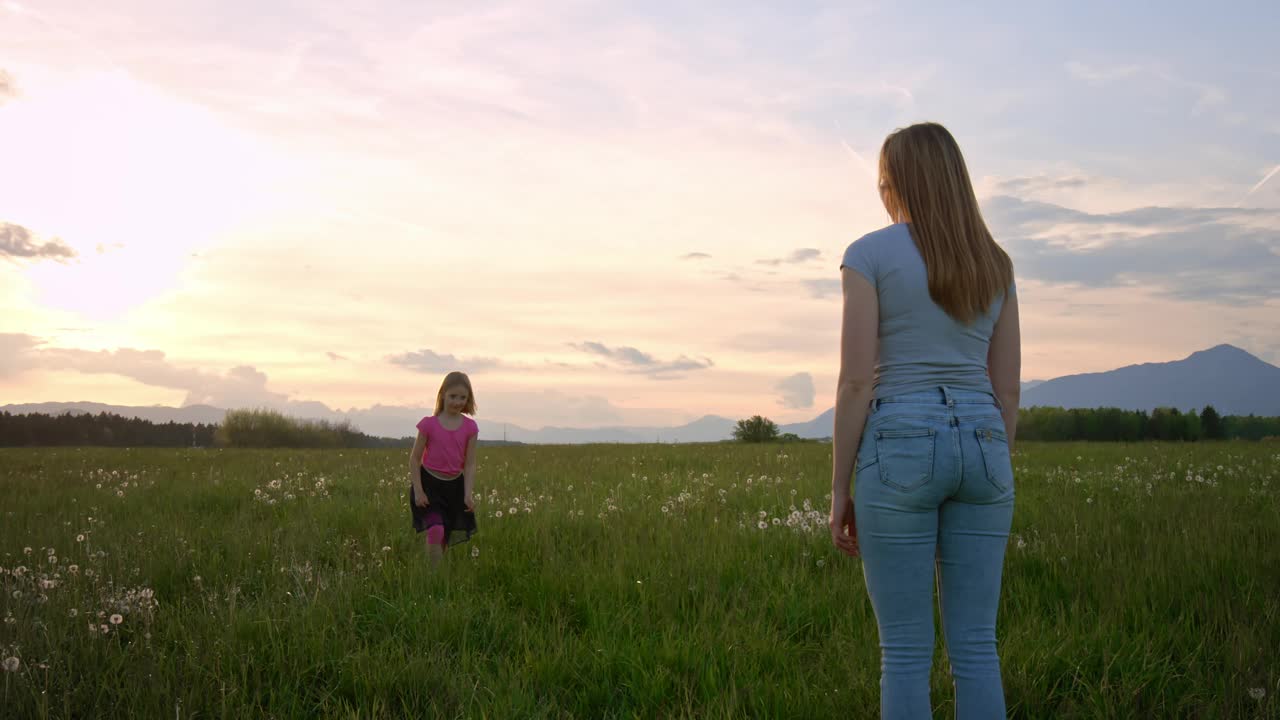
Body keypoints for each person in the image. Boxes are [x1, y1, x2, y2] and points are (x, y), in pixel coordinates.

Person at [829, 122, 1020, 719]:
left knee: (906, 651)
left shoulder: (869, 254)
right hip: (986, 443)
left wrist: (841, 488)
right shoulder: (994, 262)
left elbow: (858, 380)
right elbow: (1007, 387)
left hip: (901, 443)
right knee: (976, 647)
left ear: (893, 184)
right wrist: (991, 458)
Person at [408, 371, 480, 563]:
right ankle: (434, 578)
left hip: (455, 487)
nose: (457, 402)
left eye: (463, 397)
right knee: (436, 529)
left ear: (468, 399)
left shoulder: (470, 428)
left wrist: (468, 494)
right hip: (429, 485)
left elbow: (470, 463)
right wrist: (418, 491)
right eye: (453, 396)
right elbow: (415, 460)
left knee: (444, 536)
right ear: (442, 395)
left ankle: (435, 571)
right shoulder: (428, 425)